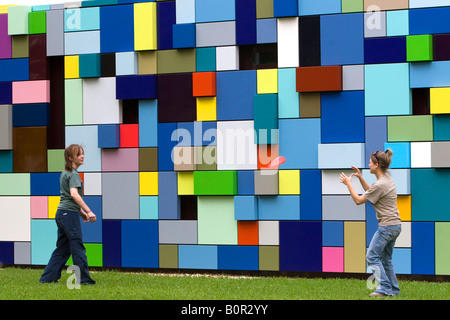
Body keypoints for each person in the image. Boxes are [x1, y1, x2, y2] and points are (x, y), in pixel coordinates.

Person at [339, 149, 402, 297]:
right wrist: (360, 178)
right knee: (385, 259)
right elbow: (371, 192)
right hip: (395, 226)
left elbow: (359, 200)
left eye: (370, 162)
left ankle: (385, 288)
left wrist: (348, 183)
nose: (368, 164)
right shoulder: (386, 180)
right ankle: (393, 289)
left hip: (387, 227)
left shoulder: (380, 184)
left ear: (377, 164)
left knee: (372, 256)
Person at [39, 144, 97, 285]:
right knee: (77, 246)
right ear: (70, 158)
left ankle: (47, 278)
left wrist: (81, 213)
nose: (82, 156)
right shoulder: (74, 174)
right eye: (78, 154)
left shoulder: (65, 172)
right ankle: (83, 280)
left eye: (83, 153)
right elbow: (74, 195)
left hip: (62, 213)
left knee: (63, 249)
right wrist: (88, 211)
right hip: (68, 215)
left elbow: (67, 198)